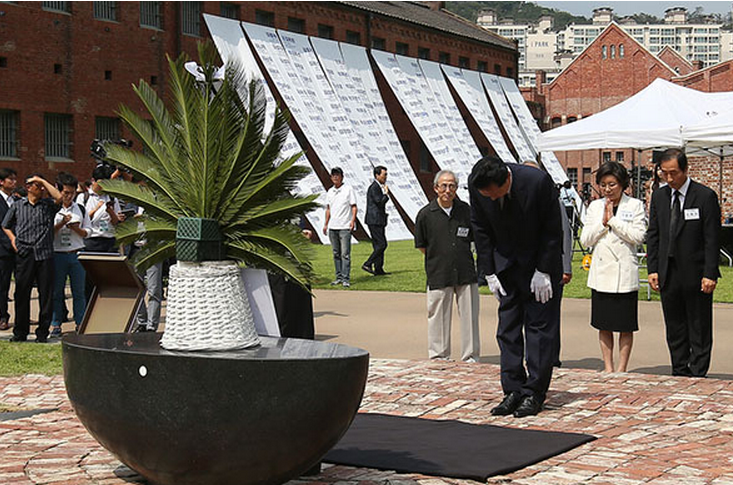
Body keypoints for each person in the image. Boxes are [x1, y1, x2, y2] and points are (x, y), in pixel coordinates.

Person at [469, 155, 562, 418]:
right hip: (506, 267)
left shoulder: (537, 182)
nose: (491, 199)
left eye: (494, 194)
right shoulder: (477, 185)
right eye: (486, 195)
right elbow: (480, 229)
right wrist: (489, 271)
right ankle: (512, 389)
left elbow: (552, 229)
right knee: (507, 330)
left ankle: (534, 392)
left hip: (539, 268)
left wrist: (543, 269)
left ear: (506, 179)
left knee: (539, 331)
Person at [647, 148, 721, 377]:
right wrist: (653, 269)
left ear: (686, 170)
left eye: (674, 173)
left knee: (698, 324)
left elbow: (712, 239)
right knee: (675, 325)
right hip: (668, 271)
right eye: (665, 173)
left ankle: (698, 370)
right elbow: (654, 235)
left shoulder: (705, 196)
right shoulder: (659, 197)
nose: (669, 178)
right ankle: (679, 369)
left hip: (696, 272)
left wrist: (710, 272)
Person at [580, 162, 646, 373]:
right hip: (602, 273)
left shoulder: (634, 205)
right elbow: (585, 239)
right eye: (603, 184)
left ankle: (622, 367)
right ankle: (608, 367)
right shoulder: (595, 206)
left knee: (626, 325)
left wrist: (614, 221)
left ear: (622, 184)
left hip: (624, 272)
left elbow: (638, 236)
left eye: (612, 184)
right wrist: (603, 223)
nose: (607, 189)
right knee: (604, 324)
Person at [414, 170, 480, 363]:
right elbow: (422, 246)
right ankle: (439, 355)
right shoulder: (425, 214)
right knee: (438, 317)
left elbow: (474, 238)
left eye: (452, 186)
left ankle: (471, 356)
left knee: (470, 317)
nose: (448, 190)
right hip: (439, 272)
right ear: (436, 188)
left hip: (466, 272)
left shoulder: (465, 211)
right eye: (443, 185)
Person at [2, 173, 62, 343]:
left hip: (44, 254)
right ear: (28, 188)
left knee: (46, 294)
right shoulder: (18, 206)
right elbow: (5, 225)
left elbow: (59, 197)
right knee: (22, 293)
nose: (41, 189)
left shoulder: (47, 205)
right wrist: (13, 240)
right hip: (24, 254)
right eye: (37, 186)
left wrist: (41, 180)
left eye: (42, 186)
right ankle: (20, 332)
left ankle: (42, 332)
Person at [50, 172, 91, 337]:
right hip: (58, 254)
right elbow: (47, 232)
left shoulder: (80, 208)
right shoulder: (52, 208)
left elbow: (88, 231)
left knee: (79, 291)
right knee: (57, 291)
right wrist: (61, 224)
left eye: (72, 193)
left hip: (76, 253)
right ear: (58, 190)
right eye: (66, 192)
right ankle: (56, 323)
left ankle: (80, 322)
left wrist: (76, 229)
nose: (69, 196)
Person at [322, 167, 357, 288]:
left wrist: (352, 221)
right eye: (333, 175)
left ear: (342, 177)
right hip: (333, 226)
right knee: (336, 253)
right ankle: (339, 277)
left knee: (345, 254)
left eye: (337, 175)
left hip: (345, 226)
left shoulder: (348, 189)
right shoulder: (330, 191)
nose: (335, 177)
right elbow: (328, 209)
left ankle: (346, 278)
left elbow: (353, 206)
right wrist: (326, 224)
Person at [78, 165, 123, 253]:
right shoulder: (83, 198)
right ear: (93, 181)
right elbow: (81, 220)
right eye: (101, 183)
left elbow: (115, 222)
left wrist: (110, 211)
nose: (103, 187)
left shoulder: (112, 198)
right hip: (91, 240)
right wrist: (96, 208)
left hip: (109, 240)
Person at [362, 166, 390, 276]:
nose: (386, 177)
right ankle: (368, 263)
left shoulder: (377, 187)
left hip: (378, 220)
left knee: (378, 245)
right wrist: (386, 194)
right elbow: (379, 202)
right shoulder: (374, 187)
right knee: (382, 244)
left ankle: (378, 269)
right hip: (374, 220)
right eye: (384, 175)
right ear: (377, 175)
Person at [0, 168, 17, 331]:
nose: (14, 182)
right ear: (1, 181)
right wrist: (9, 242)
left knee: (23, 284)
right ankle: (2, 316)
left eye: (14, 179)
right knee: (3, 285)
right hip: (3, 250)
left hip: (20, 249)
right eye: (10, 179)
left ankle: (22, 316)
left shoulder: (17, 200)